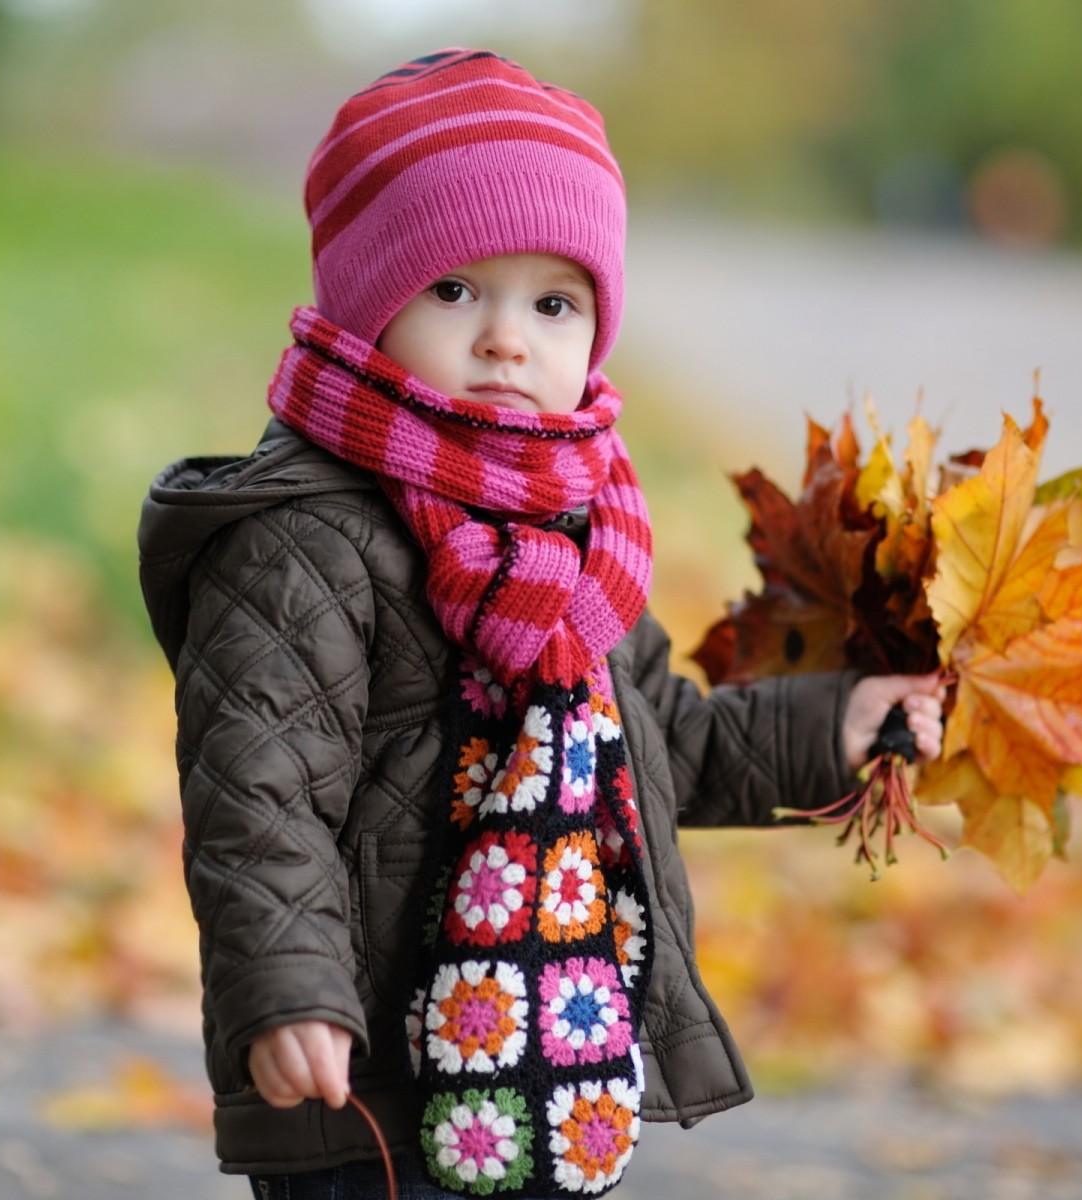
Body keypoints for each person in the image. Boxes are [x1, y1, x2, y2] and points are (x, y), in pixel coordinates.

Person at [136, 48, 944, 1200]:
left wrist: (837, 725)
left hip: (545, 1045)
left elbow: (662, 742)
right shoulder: (302, 539)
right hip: (370, 1065)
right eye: (456, 290)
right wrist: (290, 992)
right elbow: (259, 795)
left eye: (553, 303)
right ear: (366, 304)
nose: (508, 339)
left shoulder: (577, 539)